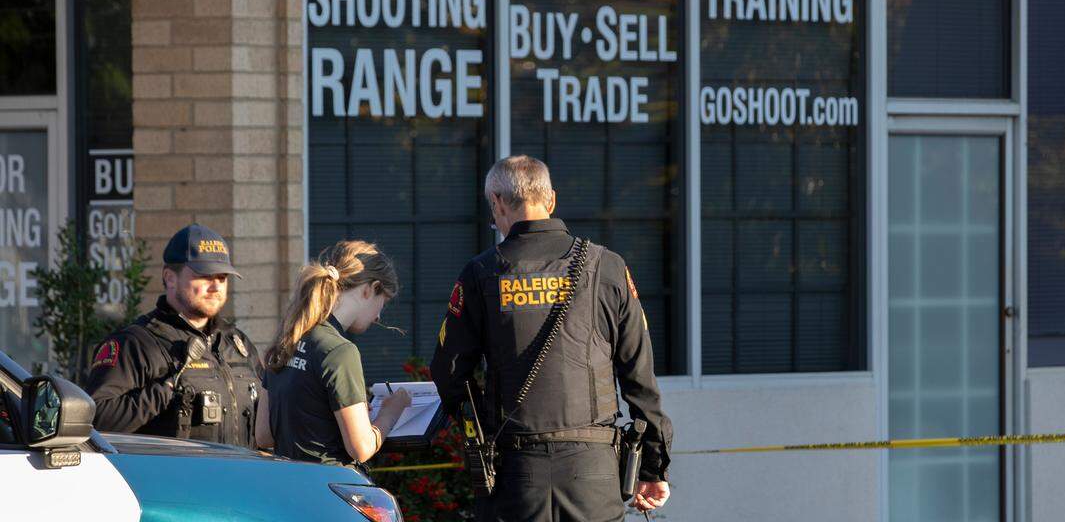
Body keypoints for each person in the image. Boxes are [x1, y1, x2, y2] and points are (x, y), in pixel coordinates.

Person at [431, 155, 673, 521]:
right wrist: (653, 466)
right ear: (551, 200)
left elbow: (449, 373)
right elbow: (639, 376)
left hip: (515, 472)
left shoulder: (481, 273)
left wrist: (483, 431)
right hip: (594, 471)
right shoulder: (607, 266)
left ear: (497, 202)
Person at [85, 223, 262, 448]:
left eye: (222, 277)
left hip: (242, 476)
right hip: (172, 479)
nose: (216, 287)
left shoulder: (236, 343)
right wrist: (165, 391)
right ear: (170, 278)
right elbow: (97, 418)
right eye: (205, 276)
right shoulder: (136, 344)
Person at [256, 240, 411, 467]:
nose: (378, 316)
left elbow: (264, 436)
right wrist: (391, 411)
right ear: (370, 289)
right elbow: (361, 448)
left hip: (288, 485)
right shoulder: (340, 351)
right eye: (383, 302)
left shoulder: (288, 339)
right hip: (330, 488)